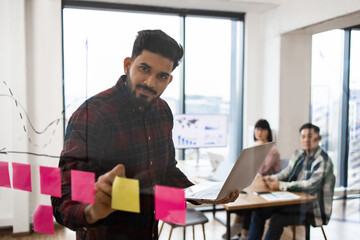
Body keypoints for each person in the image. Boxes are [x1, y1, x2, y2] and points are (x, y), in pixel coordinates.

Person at [51, 29, 239, 240]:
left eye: (161, 76)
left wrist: (203, 195)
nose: (151, 82)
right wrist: (90, 210)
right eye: (144, 68)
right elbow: (62, 198)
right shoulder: (92, 115)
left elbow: (167, 171)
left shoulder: (162, 111)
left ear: (169, 80)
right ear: (127, 65)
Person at [248, 123, 335, 240]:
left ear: (318, 138)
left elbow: (310, 185)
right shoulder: (299, 154)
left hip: (314, 209)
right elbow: (286, 173)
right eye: (303, 137)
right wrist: (272, 178)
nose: (306, 140)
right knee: (258, 212)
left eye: (309, 136)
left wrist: (281, 185)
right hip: (293, 201)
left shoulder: (323, 161)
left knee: (276, 220)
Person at [222, 119, 281, 240]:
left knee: (249, 203)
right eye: (257, 129)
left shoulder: (272, 149)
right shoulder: (255, 146)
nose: (259, 132)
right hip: (257, 184)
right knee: (241, 194)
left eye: (263, 129)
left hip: (268, 187)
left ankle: (244, 234)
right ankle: (238, 225)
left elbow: (262, 169)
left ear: (268, 132)